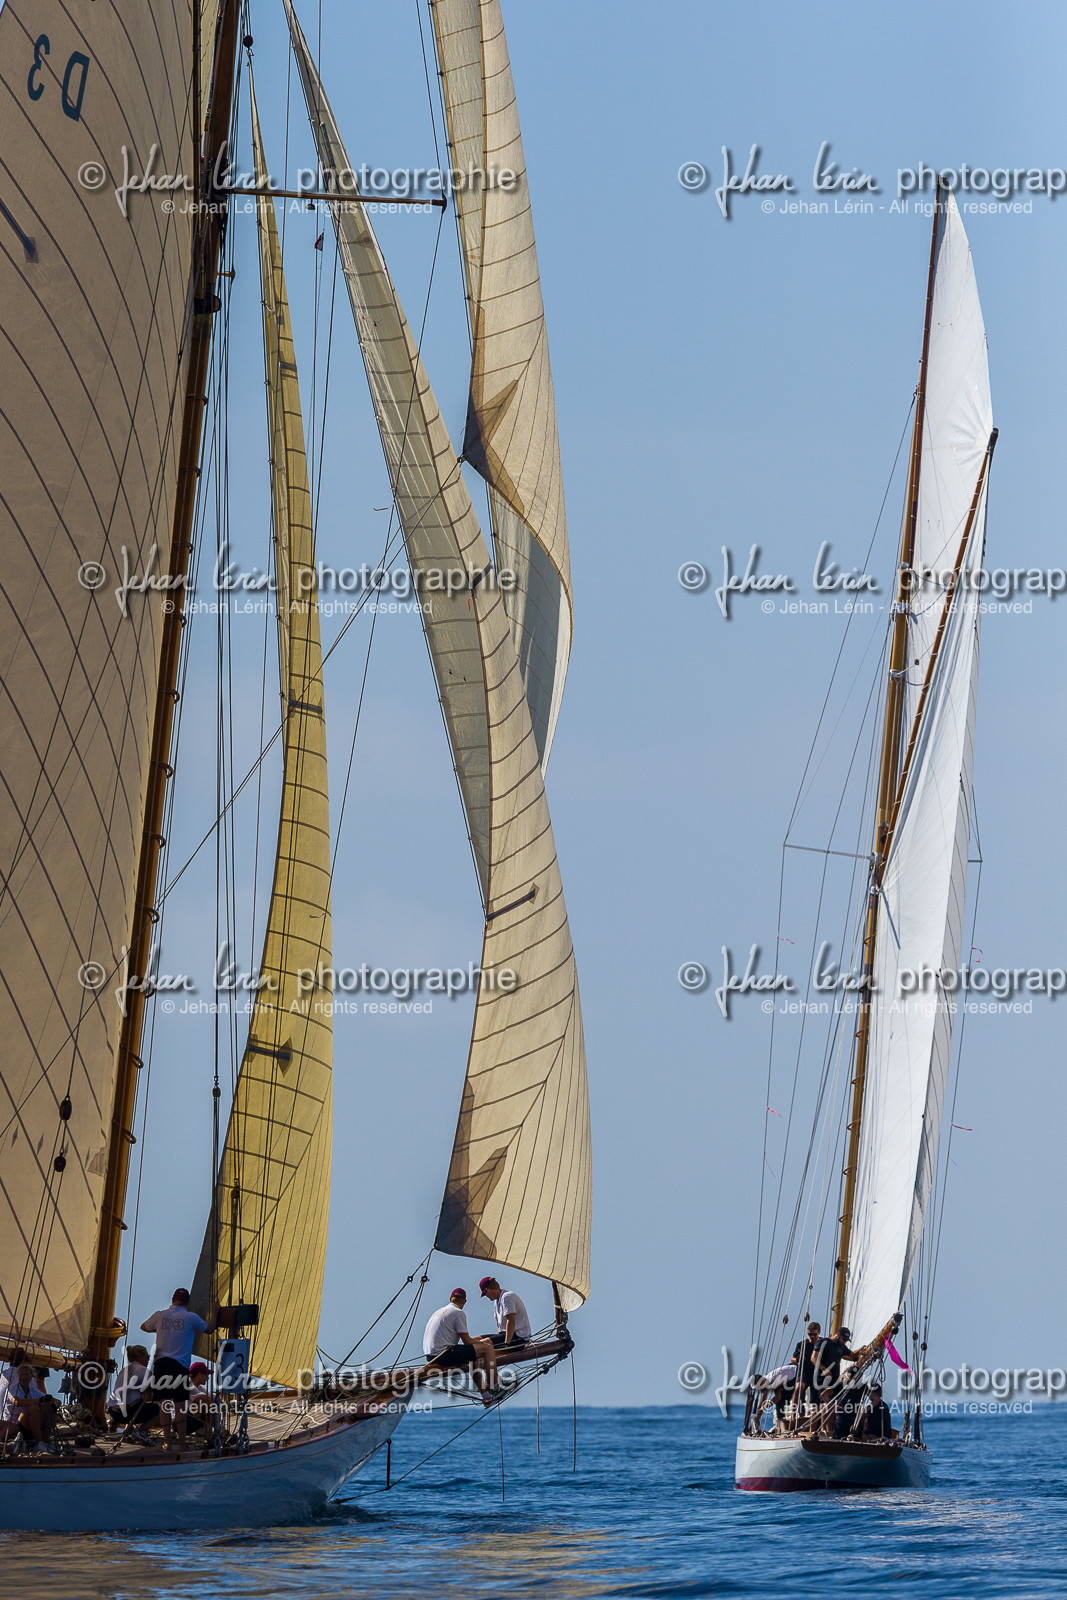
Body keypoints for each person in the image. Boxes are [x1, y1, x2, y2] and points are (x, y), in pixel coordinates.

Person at [141, 1287, 219, 1449]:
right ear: (187, 1302)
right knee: (180, 1406)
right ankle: (182, 1443)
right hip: (180, 1366)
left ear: (172, 1300)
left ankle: (167, 1442)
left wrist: (160, 1329)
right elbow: (210, 1329)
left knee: (164, 1405)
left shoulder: (160, 1315)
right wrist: (215, 1312)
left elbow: (144, 1327)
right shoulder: (191, 1317)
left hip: (162, 1364)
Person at [421, 1289, 498, 1397]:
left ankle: (486, 1395)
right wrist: (482, 1343)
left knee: (472, 1356)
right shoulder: (458, 1313)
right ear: (464, 1302)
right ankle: (494, 1386)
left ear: (450, 1299)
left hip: (430, 1355)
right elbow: (467, 1341)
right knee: (488, 1348)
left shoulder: (439, 1312)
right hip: (443, 1354)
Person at [107, 1345, 160, 1434]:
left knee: (133, 1400)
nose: (148, 1360)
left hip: (113, 1412)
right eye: (147, 1357)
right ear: (139, 1357)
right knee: (162, 1410)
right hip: (127, 1413)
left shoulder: (124, 1370)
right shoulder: (144, 1371)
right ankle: (142, 1431)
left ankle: (128, 1428)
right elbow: (148, 1398)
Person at [0, 1361, 52, 1450]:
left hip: (27, 1425)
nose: (23, 1377)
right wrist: (39, 1400)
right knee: (33, 1408)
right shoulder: (12, 1389)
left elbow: (49, 1399)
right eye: (21, 1375)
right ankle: (38, 1442)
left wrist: (56, 1402)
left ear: (32, 1377)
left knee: (47, 1407)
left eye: (26, 1374)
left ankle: (45, 1441)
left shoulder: (32, 1390)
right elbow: (17, 1402)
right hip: (17, 1425)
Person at [479, 1277, 532, 1348]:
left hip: (518, 1337)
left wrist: (506, 1344)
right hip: (504, 1335)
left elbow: (510, 1321)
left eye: (485, 1294)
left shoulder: (507, 1296)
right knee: (474, 1340)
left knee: (482, 1343)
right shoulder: (496, 1301)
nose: (486, 1296)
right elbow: (499, 1327)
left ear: (487, 1290)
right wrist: (496, 1342)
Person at [813, 1325, 859, 1399]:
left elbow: (852, 1355)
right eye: (843, 1339)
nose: (844, 1342)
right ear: (838, 1334)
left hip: (835, 1381)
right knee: (825, 1399)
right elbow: (814, 1358)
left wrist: (862, 1349)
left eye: (846, 1340)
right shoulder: (824, 1342)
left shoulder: (841, 1347)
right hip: (823, 1379)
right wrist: (824, 1369)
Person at [789, 1320, 822, 1412]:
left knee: (816, 1401)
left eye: (814, 1334)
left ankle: (814, 1416)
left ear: (819, 1332)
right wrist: (798, 1359)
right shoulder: (801, 1345)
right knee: (799, 1387)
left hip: (817, 1374)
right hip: (804, 1373)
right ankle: (793, 1414)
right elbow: (792, 1359)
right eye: (810, 1334)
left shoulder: (824, 1344)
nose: (812, 1337)